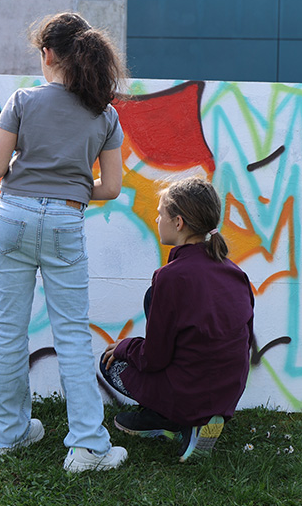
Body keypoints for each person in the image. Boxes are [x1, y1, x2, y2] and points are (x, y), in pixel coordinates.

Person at [0, 12, 129, 473]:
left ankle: (9, 435)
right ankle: (87, 445)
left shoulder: (22, 101)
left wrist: (30, 183)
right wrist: (69, 188)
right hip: (66, 221)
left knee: (10, 329)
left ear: (48, 54)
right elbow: (110, 188)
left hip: (13, 217)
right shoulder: (104, 113)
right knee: (71, 334)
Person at [99, 176, 254, 461]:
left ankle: (177, 419)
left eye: (161, 214)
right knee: (151, 300)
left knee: (112, 364)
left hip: (190, 393)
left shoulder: (170, 277)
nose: (157, 219)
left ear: (178, 222)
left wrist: (125, 346)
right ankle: (191, 419)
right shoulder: (235, 272)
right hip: (228, 392)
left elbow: (154, 359)